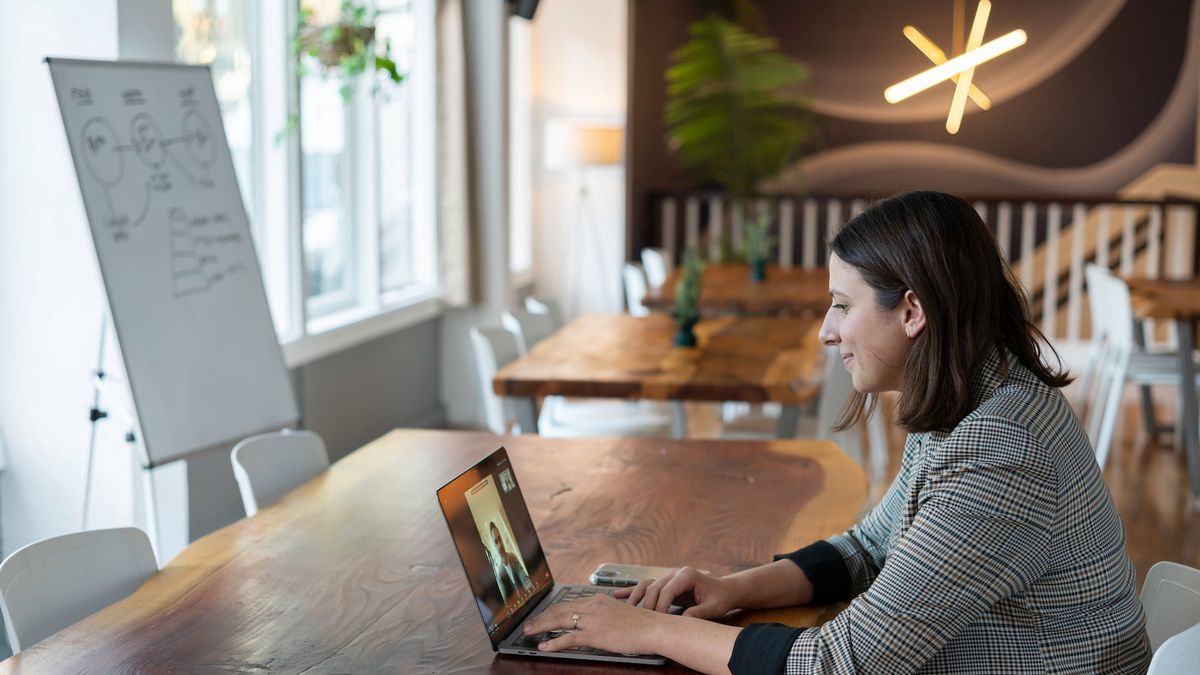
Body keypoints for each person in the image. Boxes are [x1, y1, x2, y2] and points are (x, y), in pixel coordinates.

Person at [522, 191, 1152, 673]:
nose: (827, 331)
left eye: (843, 305)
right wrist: (729, 589)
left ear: (911, 311)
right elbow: (869, 547)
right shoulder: (972, 394)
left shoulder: (1002, 446)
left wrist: (649, 633)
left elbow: (839, 664)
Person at [490, 521, 529, 602]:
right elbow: (506, 601)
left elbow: (524, 578)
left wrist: (531, 589)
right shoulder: (500, 573)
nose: (500, 545)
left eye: (500, 539)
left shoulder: (512, 557)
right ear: (494, 545)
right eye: (496, 542)